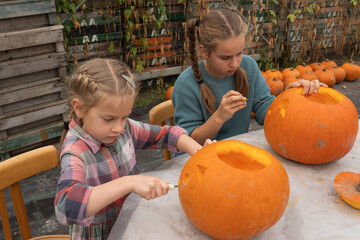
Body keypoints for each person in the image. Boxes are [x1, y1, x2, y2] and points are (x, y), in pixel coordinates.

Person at [54, 58, 213, 239]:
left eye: (124, 117)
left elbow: (167, 135)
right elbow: (65, 206)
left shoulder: (125, 129)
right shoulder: (75, 151)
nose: (119, 128)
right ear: (79, 108)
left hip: (132, 219)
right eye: (109, 119)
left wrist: (201, 154)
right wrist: (129, 182)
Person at [172, 8, 327, 145]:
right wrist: (219, 117)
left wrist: (291, 97)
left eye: (239, 53)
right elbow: (188, 141)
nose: (235, 64)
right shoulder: (186, 84)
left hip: (239, 152)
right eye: (225, 58)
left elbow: (265, 109)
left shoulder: (248, 66)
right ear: (204, 51)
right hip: (202, 159)